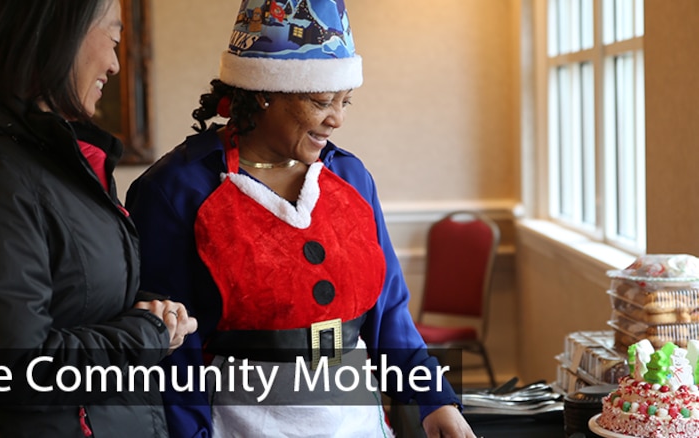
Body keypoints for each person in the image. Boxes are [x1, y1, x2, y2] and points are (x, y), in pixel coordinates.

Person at [126, 1, 477, 437]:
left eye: (346, 101)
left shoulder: (351, 177)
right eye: (321, 102)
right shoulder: (176, 189)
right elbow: (172, 352)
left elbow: (390, 315)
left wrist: (433, 401)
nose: (338, 119)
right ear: (264, 91)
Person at [0, 0, 197, 436]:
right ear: (55, 32)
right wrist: (146, 333)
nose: (114, 64)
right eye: (112, 38)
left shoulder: (41, 155)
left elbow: (66, 295)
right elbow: (13, 367)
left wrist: (145, 312)